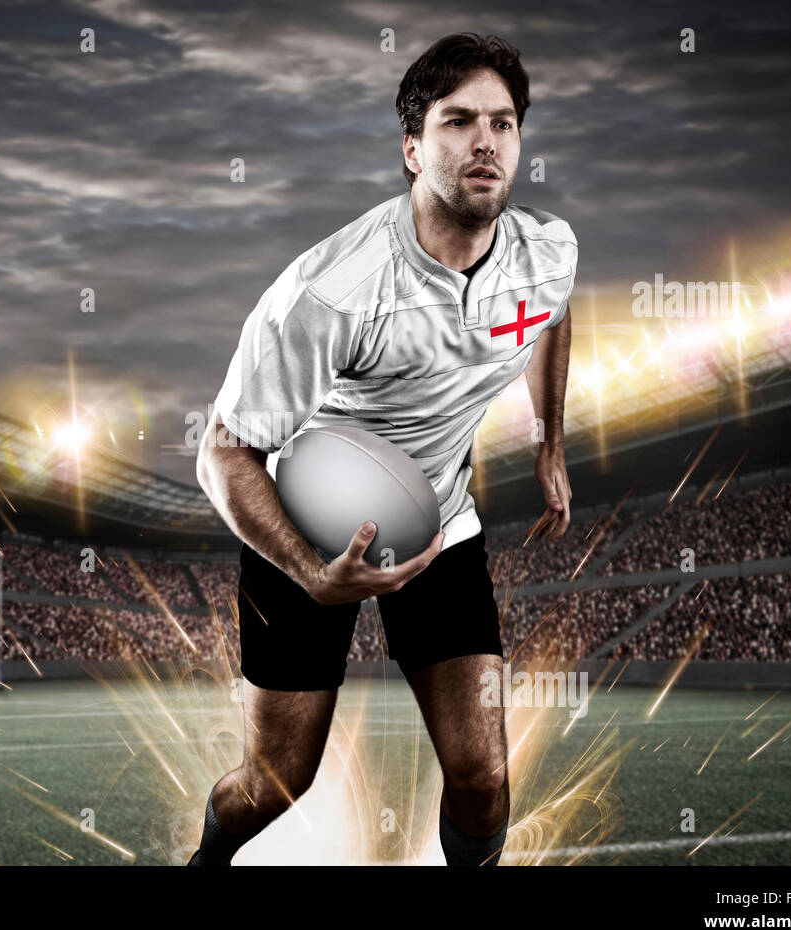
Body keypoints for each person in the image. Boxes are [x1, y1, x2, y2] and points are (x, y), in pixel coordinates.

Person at [192, 32, 575, 866]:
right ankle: (207, 862)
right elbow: (222, 453)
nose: (485, 142)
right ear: (412, 149)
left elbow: (552, 311)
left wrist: (550, 441)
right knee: (275, 781)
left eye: (503, 124)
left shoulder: (547, 254)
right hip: (304, 524)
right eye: (458, 122)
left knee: (483, 777)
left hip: (439, 522)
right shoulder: (330, 291)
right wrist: (308, 570)